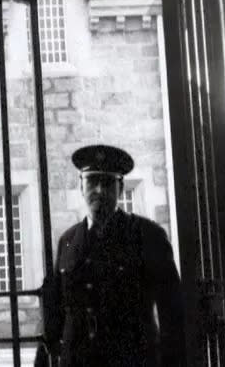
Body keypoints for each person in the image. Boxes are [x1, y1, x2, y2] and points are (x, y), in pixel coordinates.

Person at [35, 144, 185, 366]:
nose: (100, 191)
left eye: (107, 183)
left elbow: (172, 311)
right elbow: (54, 315)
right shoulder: (67, 241)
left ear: (121, 188)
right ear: (80, 186)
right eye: (92, 181)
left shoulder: (147, 236)